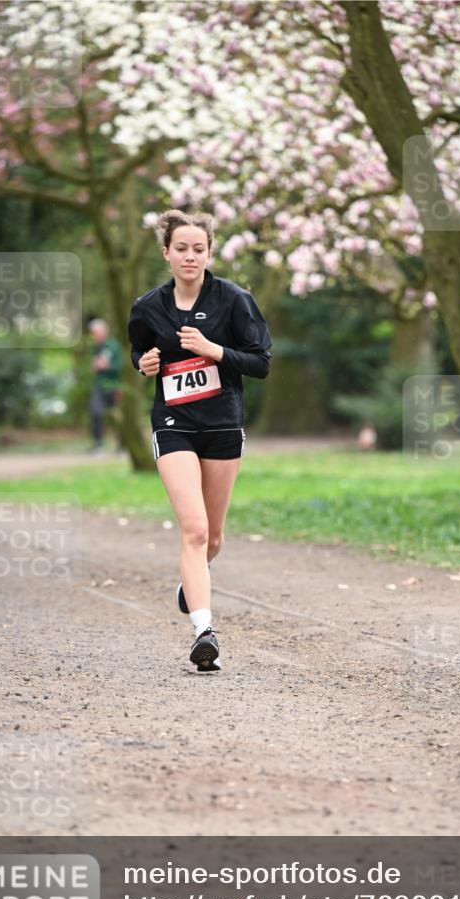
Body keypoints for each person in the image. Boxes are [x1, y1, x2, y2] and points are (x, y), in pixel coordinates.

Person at [127, 210, 272, 671]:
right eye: (181, 249)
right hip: (174, 424)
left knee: (212, 537)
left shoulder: (235, 300)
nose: (190, 256)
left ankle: (191, 585)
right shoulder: (148, 307)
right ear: (166, 253)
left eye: (198, 249)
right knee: (193, 529)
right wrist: (143, 363)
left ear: (209, 254)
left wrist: (214, 351)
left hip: (223, 425)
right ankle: (203, 631)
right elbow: (138, 349)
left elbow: (261, 363)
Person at [88, 318, 124, 454]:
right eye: (92, 333)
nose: (93, 336)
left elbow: (119, 366)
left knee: (116, 416)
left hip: (114, 385)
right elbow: (95, 366)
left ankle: (121, 446)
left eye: (95, 333)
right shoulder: (96, 347)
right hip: (99, 385)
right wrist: (94, 367)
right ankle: (98, 445)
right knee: (95, 412)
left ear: (104, 332)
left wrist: (106, 366)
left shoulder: (114, 346)